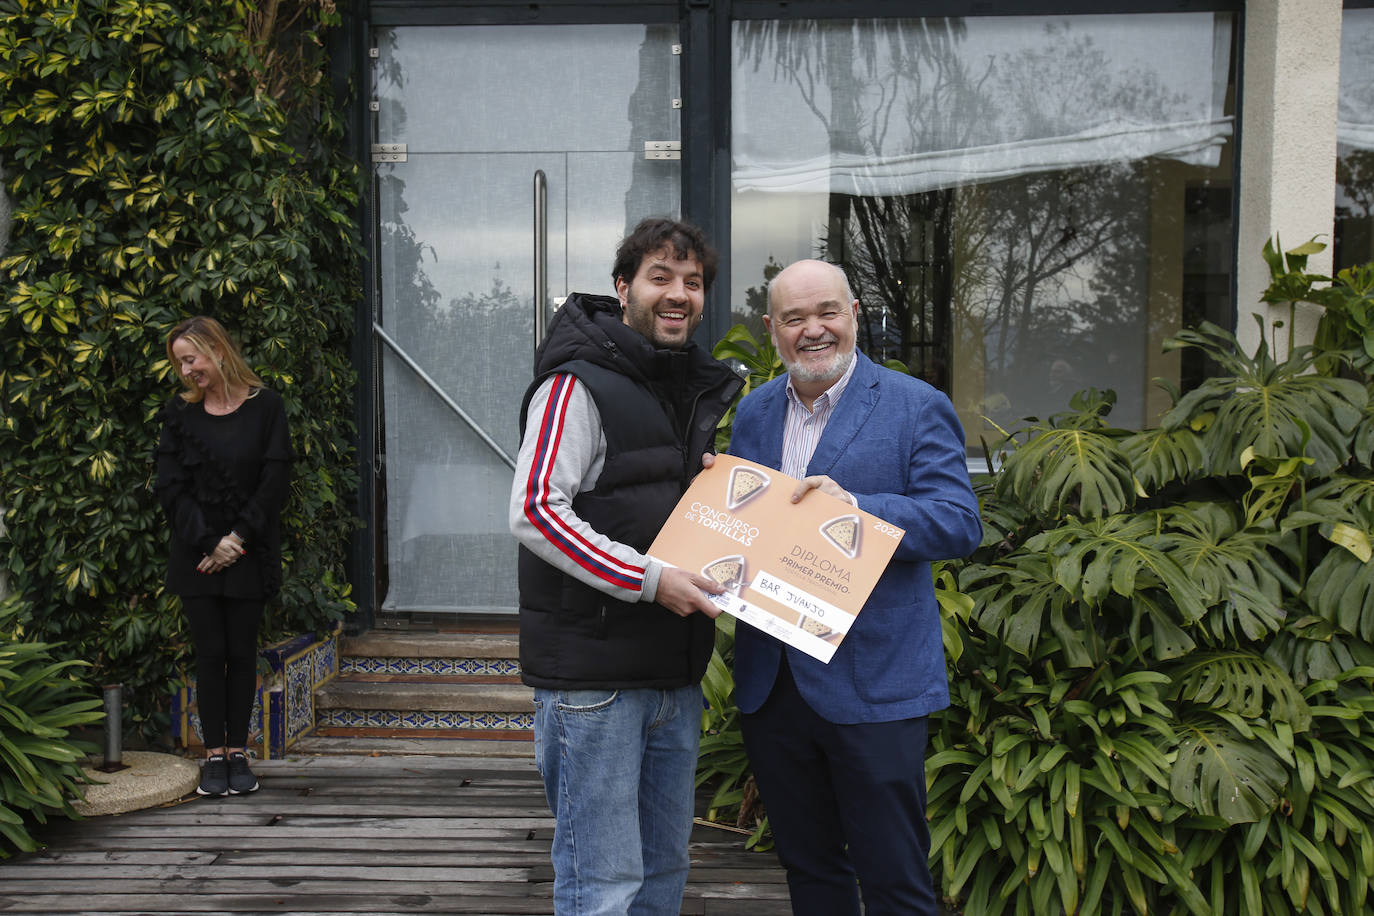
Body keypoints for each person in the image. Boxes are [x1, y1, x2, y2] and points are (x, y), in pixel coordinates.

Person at [722, 259, 983, 915]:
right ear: (772, 329)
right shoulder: (753, 414)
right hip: (774, 683)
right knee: (810, 872)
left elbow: (958, 523)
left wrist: (856, 511)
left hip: (874, 683)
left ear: (854, 314)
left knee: (894, 878)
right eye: (795, 318)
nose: (814, 330)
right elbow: (751, 530)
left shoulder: (916, 405)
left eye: (827, 312)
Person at [508, 217, 743, 915]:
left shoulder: (679, 389)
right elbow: (536, 511)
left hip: (673, 674)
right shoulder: (575, 386)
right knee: (603, 885)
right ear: (623, 288)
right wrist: (650, 580)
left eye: (693, 282)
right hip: (596, 686)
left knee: (662, 875)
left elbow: (643, 501)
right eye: (660, 278)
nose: (679, 294)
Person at [155, 316, 293, 798]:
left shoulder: (268, 407)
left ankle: (238, 752)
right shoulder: (179, 414)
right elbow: (171, 488)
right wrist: (209, 543)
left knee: (241, 652)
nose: (186, 370)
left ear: (217, 349)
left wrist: (235, 539)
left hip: (248, 555)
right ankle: (213, 754)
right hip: (197, 559)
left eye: (190, 358)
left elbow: (273, 482)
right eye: (179, 363)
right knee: (210, 656)